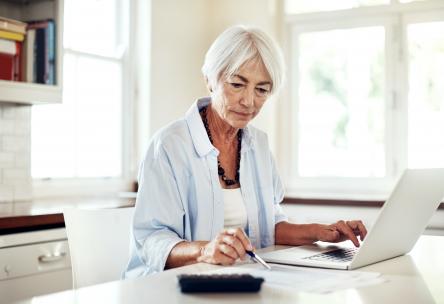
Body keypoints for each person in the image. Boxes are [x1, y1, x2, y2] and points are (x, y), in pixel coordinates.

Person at [124, 25, 367, 277]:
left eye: (261, 90)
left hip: (237, 281)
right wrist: (205, 251)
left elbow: (266, 228)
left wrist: (321, 232)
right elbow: (151, 240)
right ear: (209, 79)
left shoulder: (258, 145)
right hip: (168, 287)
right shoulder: (168, 146)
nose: (249, 101)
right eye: (237, 84)